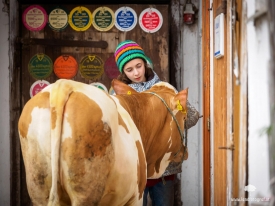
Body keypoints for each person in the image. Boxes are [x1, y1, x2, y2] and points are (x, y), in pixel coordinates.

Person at [114, 40, 200, 206]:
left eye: (138, 66)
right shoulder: (120, 96)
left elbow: (193, 116)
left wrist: (171, 120)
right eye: (129, 69)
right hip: (134, 169)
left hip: (164, 168)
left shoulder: (165, 88)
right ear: (123, 71)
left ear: (145, 63)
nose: (136, 73)